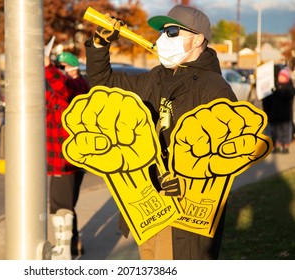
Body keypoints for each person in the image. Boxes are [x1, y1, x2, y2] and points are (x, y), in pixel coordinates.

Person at [84, 5, 238, 259]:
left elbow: (228, 154)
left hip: (183, 212)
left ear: (198, 39)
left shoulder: (214, 88)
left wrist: (188, 181)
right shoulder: (155, 78)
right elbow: (105, 84)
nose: (163, 38)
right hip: (149, 205)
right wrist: (100, 46)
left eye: (173, 31)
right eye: (162, 32)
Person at [45, 52, 89, 260]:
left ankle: (62, 252)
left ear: (72, 69)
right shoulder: (62, 88)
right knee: (66, 202)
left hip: (67, 159)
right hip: (60, 158)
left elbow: (63, 87)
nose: (60, 71)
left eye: (62, 67)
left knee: (60, 205)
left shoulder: (78, 86)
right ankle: (73, 245)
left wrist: (48, 68)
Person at [263, 66, 295, 153]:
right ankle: (277, 145)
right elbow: (269, 100)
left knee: (285, 131)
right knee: (276, 132)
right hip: (275, 114)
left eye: (283, 76)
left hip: (285, 115)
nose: (281, 78)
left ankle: (285, 146)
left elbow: (287, 95)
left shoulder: (289, 87)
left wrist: (277, 91)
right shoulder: (275, 85)